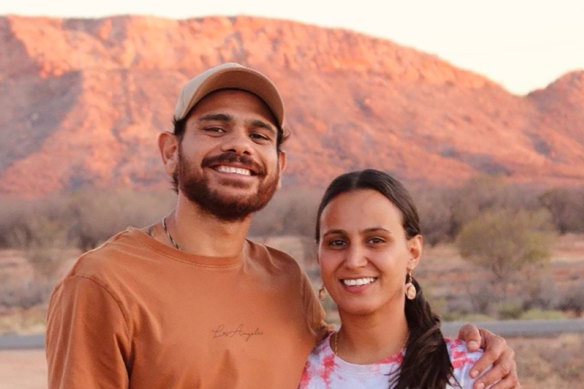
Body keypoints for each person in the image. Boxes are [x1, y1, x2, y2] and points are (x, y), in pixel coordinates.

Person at [46, 63, 518, 389]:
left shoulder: (286, 279)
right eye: (215, 128)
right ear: (171, 150)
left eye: (259, 135)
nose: (239, 146)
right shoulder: (104, 283)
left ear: (278, 162)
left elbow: (362, 354)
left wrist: (466, 348)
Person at [300, 169, 515, 388]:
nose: (354, 261)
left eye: (375, 240)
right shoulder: (294, 370)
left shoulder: (472, 372)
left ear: (413, 252)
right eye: (337, 242)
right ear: (318, 255)